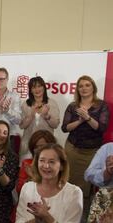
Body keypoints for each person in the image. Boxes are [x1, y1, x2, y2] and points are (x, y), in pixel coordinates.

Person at [61, 75, 110, 215]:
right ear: (77, 89)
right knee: (68, 182)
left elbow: (101, 128)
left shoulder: (101, 106)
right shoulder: (72, 106)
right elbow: (65, 128)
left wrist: (88, 118)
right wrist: (80, 121)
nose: (84, 88)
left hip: (91, 152)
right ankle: (66, 214)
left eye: (87, 85)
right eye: (81, 86)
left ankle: (83, 216)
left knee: (86, 186)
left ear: (93, 87)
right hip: (72, 149)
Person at [14, 143, 83, 223]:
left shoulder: (74, 193)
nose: (46, 166)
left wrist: (47, 217)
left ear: (61, 166)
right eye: (42, 160)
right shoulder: (27, 188)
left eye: (51, 162)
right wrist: (36, 221)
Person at [19, 76, 60, 162]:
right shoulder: (25, 104)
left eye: (39, 86)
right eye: (34, 87)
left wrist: (46, 116)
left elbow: (55, 124)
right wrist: (31, 115)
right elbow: (22, 125)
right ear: (30, 90)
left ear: (44, 88)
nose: (37, 89)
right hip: (28, 144)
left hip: (46, 144)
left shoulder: (51, 103)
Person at [16, 130, 57, 194]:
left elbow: (52, 189)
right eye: (36, 147)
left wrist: (32, 176)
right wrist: (28, 178)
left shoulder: (56, 165)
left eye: (42, 146)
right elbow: (19, 190)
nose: (39, 149)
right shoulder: (27, 163)